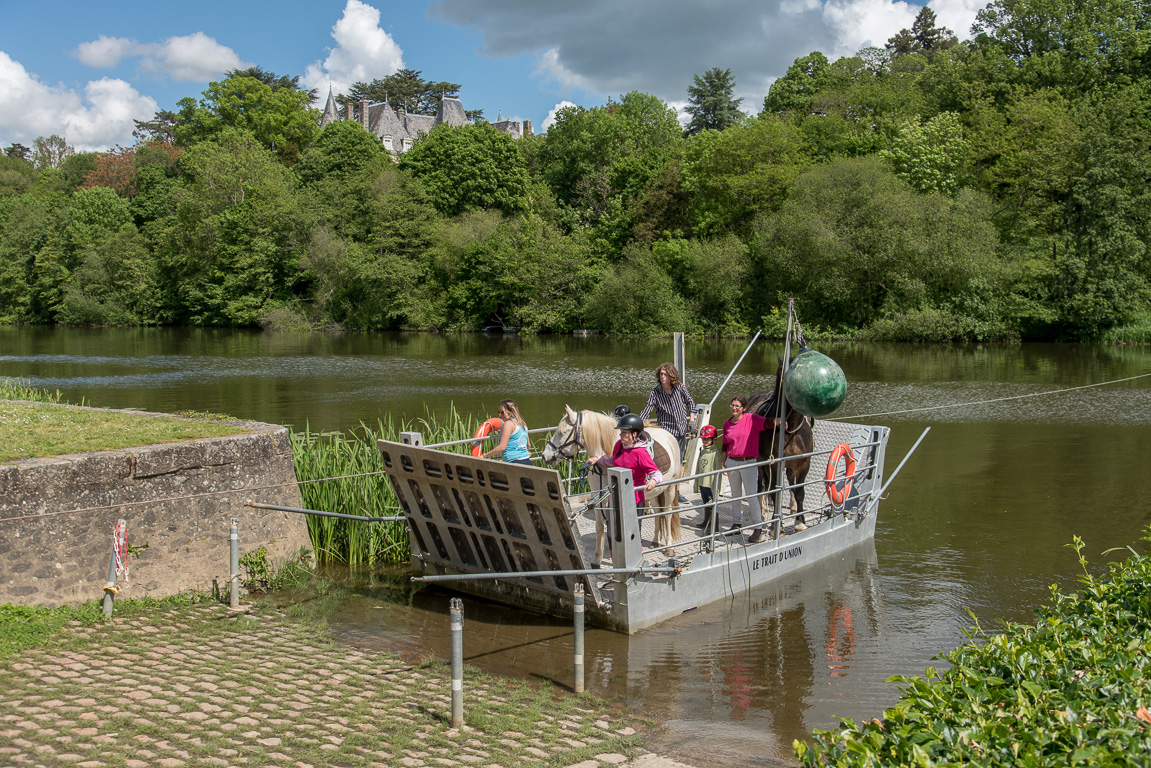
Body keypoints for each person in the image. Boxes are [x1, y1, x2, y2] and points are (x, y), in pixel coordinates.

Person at [720, 395, 779, 543]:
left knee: (751, 496)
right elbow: (725, 444)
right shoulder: (727, 423)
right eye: (732, 405)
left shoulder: (752, 419)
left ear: (744, 409)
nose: (734, 408)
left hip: (748, 463)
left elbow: (767, 423)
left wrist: (779, 421)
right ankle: (736, 523)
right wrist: (723, 462)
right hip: (732, 462)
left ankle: (758, 527)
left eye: (737, 406)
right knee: (735, 494)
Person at [639, 363, 696, 501]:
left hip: (680, 429)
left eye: (665, 375)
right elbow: (647, 410)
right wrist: (636, 424)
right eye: (661, 374)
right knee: (664, 460)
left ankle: (676, 492)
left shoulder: (680, 388)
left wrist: (692, 421)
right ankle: (661, 487)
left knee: (679, 462)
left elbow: (691, 403)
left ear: (671, 376)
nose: (662, 377)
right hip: (666, 431)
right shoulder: (655, 392)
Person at [587, 413, 663, 510]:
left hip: (634, 499)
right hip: (615, 496)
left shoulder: (641, 453)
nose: (620, 434)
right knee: (612, 524)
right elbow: (614, 460)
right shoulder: (619, 445)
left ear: (634, 434)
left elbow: (656, 472)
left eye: (624, 432)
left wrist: (653, 480)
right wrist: (597, 459)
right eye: (621, 431)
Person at [482, 400, 532, 465]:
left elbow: (502, 447)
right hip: (526, 461)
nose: (500, 415)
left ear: (510, 412)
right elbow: (528, 445)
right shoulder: (523, 423)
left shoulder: (509, 424)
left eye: (502, 412)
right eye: (499, 412)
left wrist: (485, 456)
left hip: (513, 463)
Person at [694, 425, 720, 531]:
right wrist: (696, 482)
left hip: (710, 484)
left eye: (707, 439)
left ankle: (714, 525)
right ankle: (706, 521)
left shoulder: (715, 454)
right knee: (705, 502)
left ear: (713, 439)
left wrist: (716, 486)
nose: (705, 441)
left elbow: (718, 471)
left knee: (712, 504)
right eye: (703, 439)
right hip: (702, 482)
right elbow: (698, 467)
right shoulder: (702, 451)